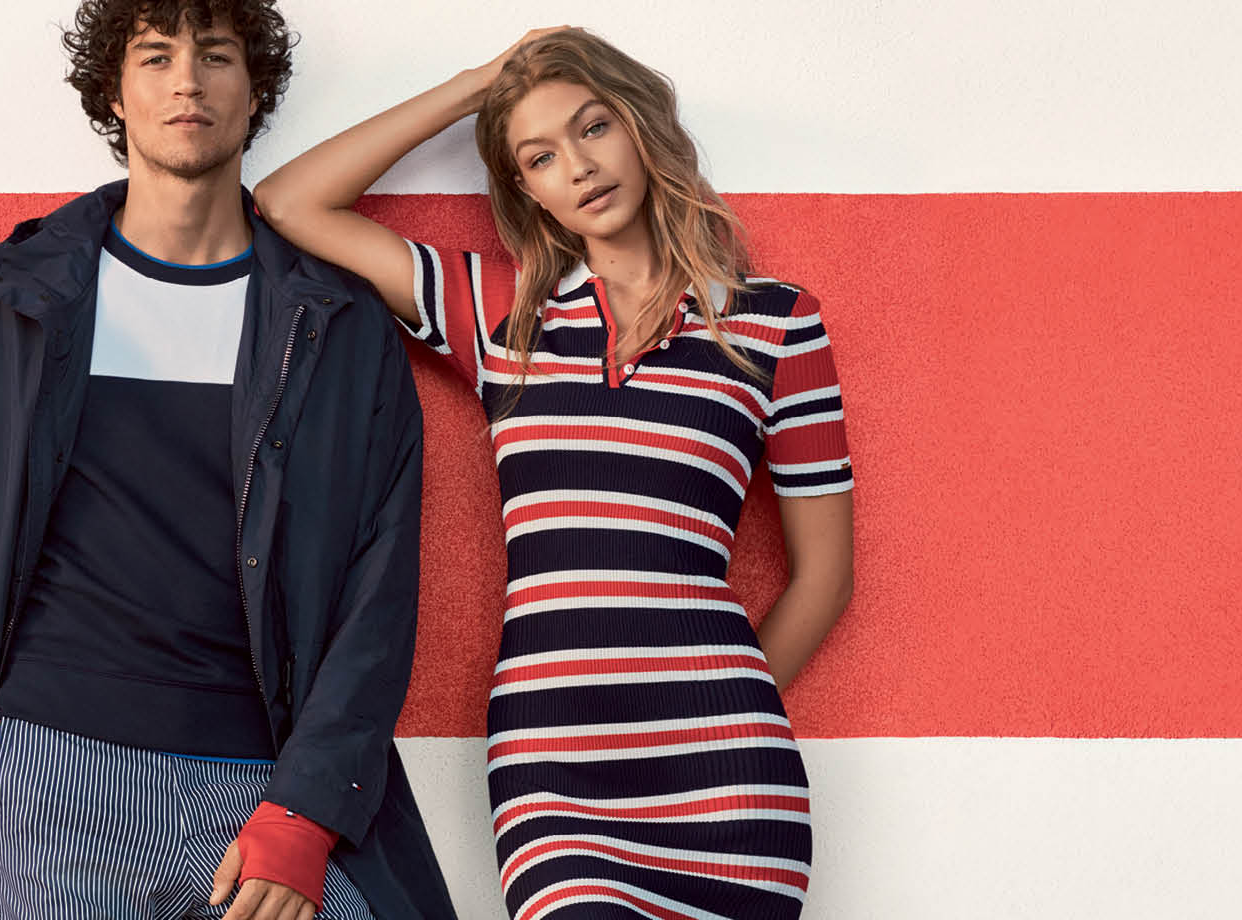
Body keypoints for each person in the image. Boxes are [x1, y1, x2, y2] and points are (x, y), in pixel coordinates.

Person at [0, 2, 459, 918]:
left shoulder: (334, 324)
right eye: (156, 56)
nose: (187, 81)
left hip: (264, 785)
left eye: (216, 56)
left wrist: (304, 809)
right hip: (50, 767)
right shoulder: (0, 303)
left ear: (255, 95)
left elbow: (380, 589)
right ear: (116, 93)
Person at [254, 26, 857, 919]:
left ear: (641, 125)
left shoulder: (776, 326)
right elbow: (286, 202)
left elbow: (825, 576)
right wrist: (475, 87)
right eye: (540, 156)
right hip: (555, 772)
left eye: (594, 127)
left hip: (727, 774)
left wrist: (719, 706)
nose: (578, 167)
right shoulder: (502, 321)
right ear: (525, 190)